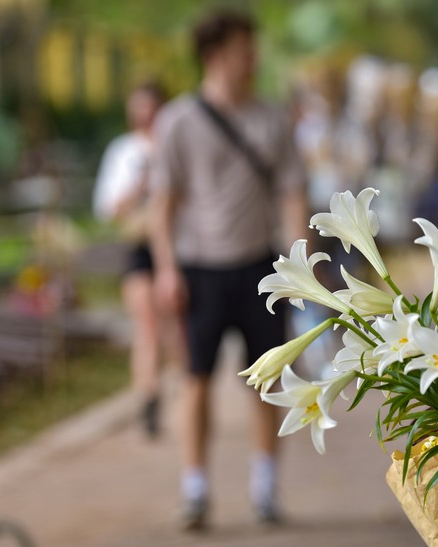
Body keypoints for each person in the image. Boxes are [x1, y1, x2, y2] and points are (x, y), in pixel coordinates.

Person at [147, 10, 308, 529]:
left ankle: (265, 490)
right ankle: (195, 491)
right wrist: (167, 270)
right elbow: (163, 205)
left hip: (262, 268)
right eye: (245, 50)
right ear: (215, 56)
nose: (253, 59)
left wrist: (298, 266)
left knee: (267, 381)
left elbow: (292, 194)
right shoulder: (177, 121)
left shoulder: (272, 119)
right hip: (200, 272)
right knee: (195, 381)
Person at [93, 81, 180, 438]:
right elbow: (108, 208)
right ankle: (148, 397)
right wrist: (141, 186)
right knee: (145, 324)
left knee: (174, 328)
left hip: (176, 247)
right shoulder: (123, 151)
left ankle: (187, 394)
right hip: (139, 246)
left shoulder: (176, 144)